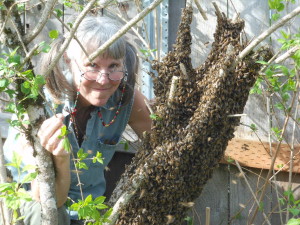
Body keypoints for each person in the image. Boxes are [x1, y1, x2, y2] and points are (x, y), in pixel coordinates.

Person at [3, 15, 152, 225]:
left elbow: (163, 139)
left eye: (113, 66)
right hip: (34, 205)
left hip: (89, 209)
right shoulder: (40, 109)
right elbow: (50, 200)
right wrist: (61, 159)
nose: (103, 79)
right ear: (68, 60)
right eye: (92, 65)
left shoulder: (124, 99)